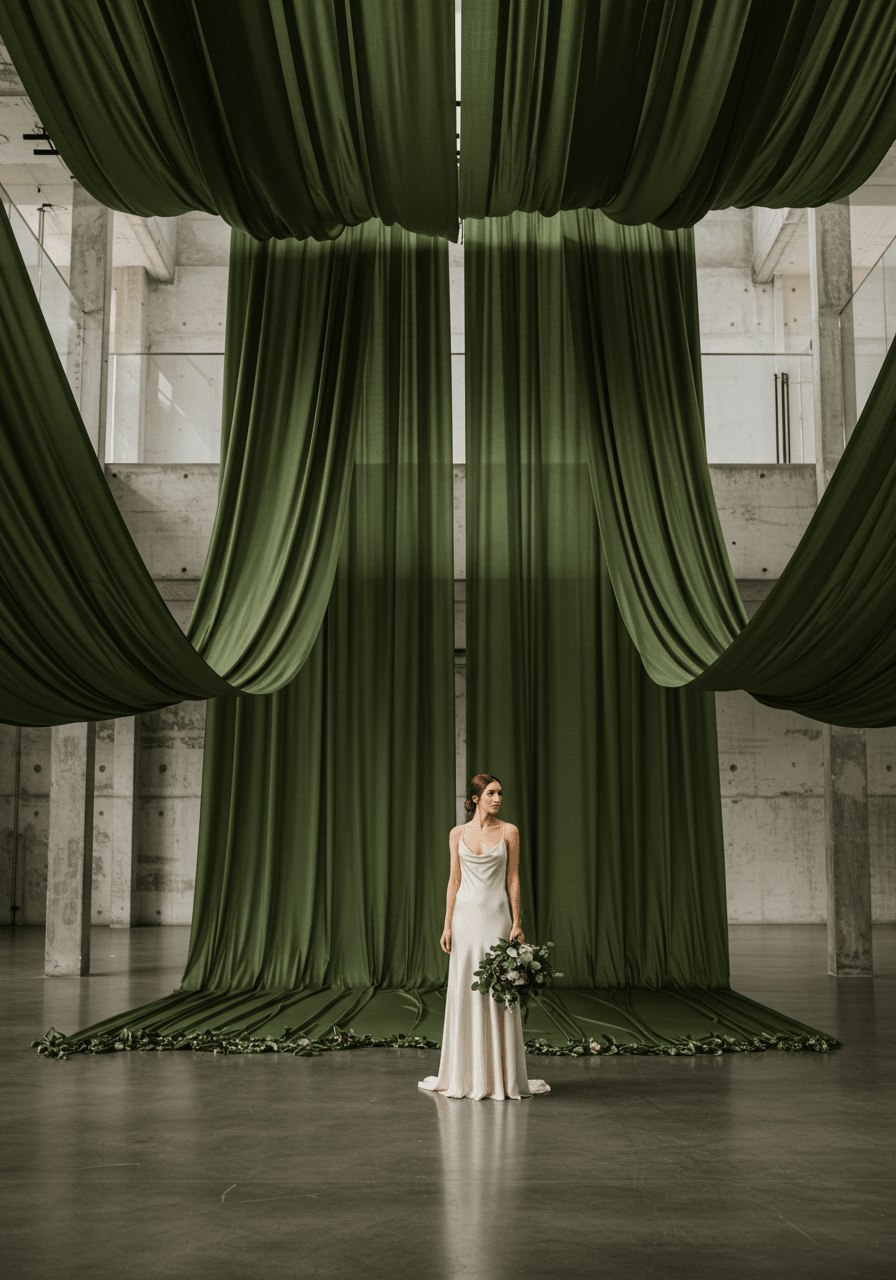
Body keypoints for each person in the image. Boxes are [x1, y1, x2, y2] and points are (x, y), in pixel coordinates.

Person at [418, 773, 550, 1100]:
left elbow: (513, 879)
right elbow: (454, 879)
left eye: (500, 793)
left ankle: (500, 1076)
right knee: (466, 986)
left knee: (499, 988)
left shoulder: (509, 831)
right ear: (475, 798)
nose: (498, 798)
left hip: (496, 917)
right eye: (491, 793)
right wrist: (447, 925)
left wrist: (517, 922)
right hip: (464, 918)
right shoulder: (457, 833)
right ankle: (466, 1073)